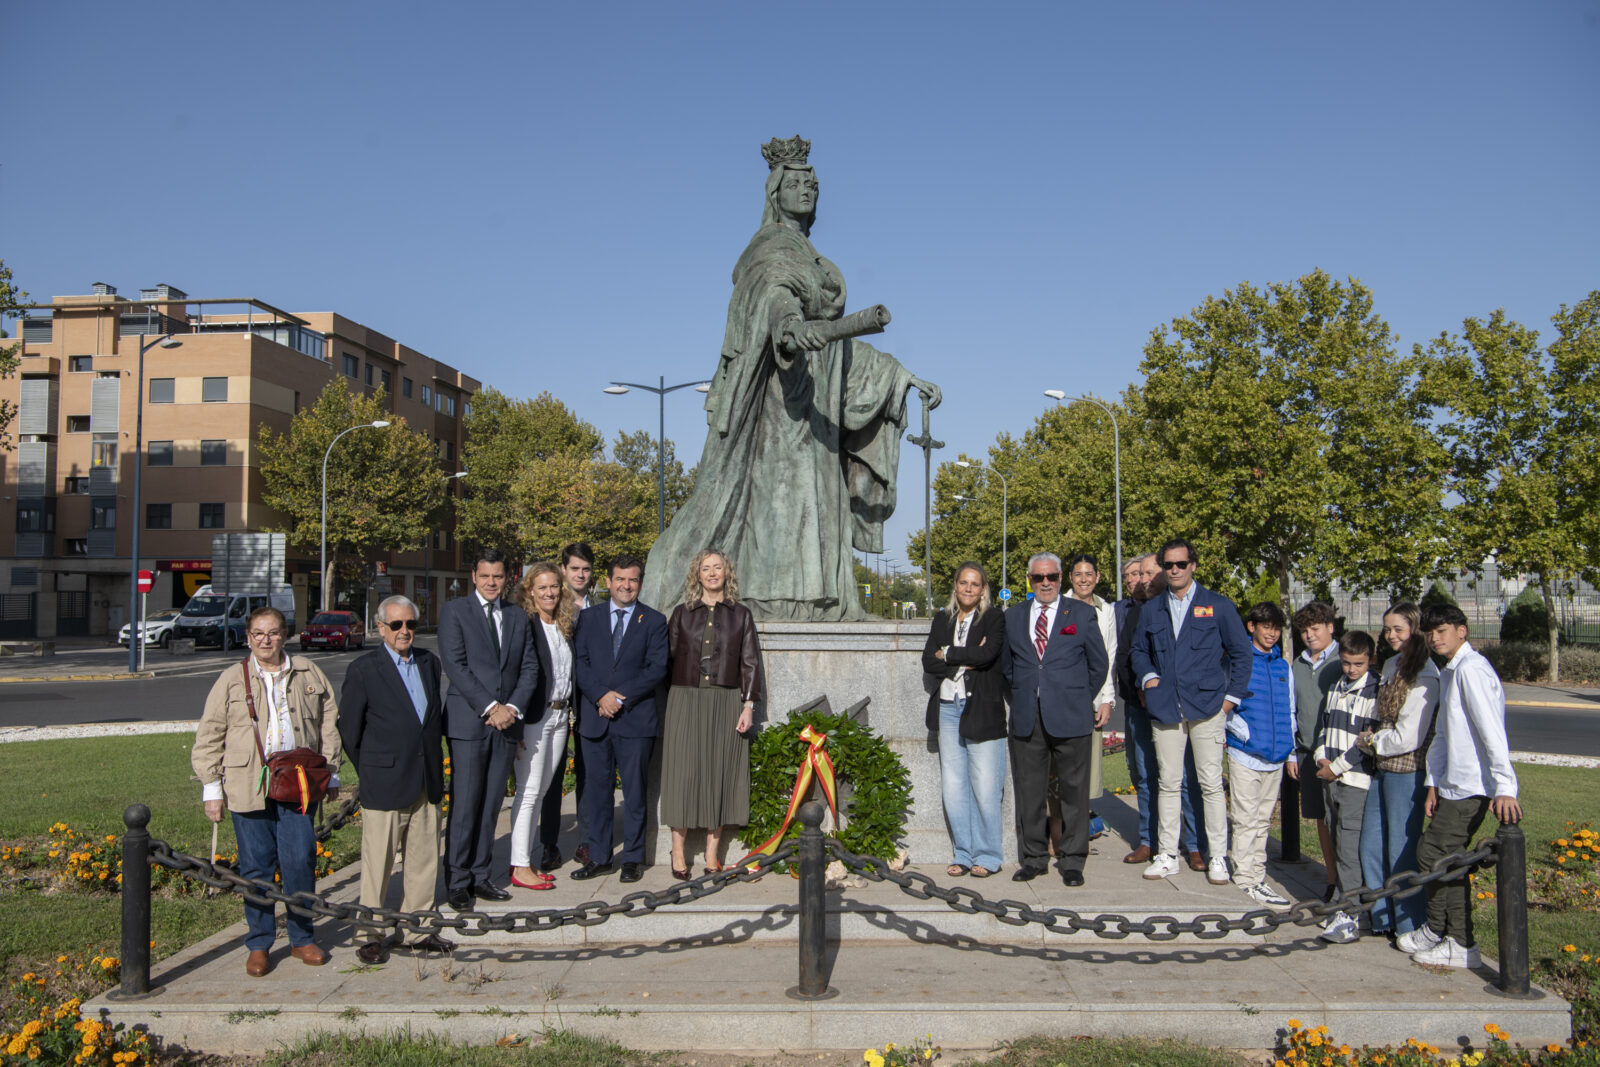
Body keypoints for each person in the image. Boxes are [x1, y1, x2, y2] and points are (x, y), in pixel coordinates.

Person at [641, 136, 941, 621]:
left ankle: (827, 600)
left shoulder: (812, 254)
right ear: (776, 189)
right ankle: (775, 600)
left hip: (817, 408)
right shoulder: (771, 249)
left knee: (820, 503)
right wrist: (788, 327)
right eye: (797, 182)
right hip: (780, 405)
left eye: (814, 184)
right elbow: (773, 296)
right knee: (782, 503)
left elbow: (837, 343)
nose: (808, 190)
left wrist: (898, 375)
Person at [191, 606, 341, 977]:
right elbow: (210, 734)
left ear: (284, 635)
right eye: (258, 634)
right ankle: (259, 944)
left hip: (298, 783)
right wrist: (212, 788)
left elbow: (328, 724)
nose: (265, 640)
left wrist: (331, 773)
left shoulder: (308, 672)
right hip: (247, 785)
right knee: (257, 866)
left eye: (272, 633)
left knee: (300, 859)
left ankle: (302, 938)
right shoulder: (231, 679)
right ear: (248, 637)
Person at [1401, 604, 1521, 969]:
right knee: (1435, 855)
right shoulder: (1452, 670)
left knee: (1438, 856)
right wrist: (1434, 783)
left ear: (1462, 631)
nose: (1435, 638)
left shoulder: (1471, 670)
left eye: (1443, 631)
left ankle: (1457, 940)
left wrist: (1504, 785)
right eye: (1430, 633)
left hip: (1472, 786)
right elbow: (1443, 735)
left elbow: (1491, 731)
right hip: (1453, 784)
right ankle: (1440, 931)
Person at [338, 595, 454, 964]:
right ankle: (370, 933)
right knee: (378, 865)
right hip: (384, 780)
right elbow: (350, 730)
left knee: (423, 861)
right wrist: (372, 769)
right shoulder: (364, 669)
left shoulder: (428, 663)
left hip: (426, 779)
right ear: (381, 628)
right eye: (397, 625)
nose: (405, 632)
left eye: (411, 625)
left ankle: (419, 930)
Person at [1130, 538, 1253, 885]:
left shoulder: (1218, 605)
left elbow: (1241, 655)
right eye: (1168, 565)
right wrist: (1149, 677)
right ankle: (1167, 854)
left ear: (1193, 566)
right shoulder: (1152, 609)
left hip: (1208, 707)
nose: (1174, 571)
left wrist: (1230, 700)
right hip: (1166, 706)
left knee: (1211, 784)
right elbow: (1139, 650)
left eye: (1180, 565)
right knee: (1168, 783)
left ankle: (1217, 857)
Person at [439, 547, 540, 911]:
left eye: (498, 576)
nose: (492, 582)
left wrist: (511, 708)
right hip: (470, 722)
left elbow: (530, 667)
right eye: (485, 576)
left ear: (507, 577)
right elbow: (456, 665)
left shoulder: (517, 615)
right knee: (466, 805)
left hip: (507, 724)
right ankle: (458, 879)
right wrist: (490, 707)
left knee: (491, 805)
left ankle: (481, 875)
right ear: (474, 577)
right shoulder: (455, 612)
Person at [1001, 552, 1109, 886]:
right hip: (1027, 719)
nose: (1045, 583)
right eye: (1038, 578)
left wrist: (1075, 697)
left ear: (1061, 578)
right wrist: (1025, 696)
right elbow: (1008, 667)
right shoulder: (1013, 616)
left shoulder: (1080, 613)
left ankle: (1073, 860)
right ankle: (1034, 857)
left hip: (1071, 717)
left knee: (1074, 794)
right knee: (1030, 792)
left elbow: (1099, 665)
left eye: (1051, 577)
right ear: (1029, 580)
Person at [661, 550, 762, 878]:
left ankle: (711, 855)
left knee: (718, 773)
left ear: (726, 573)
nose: (712, 573)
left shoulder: (741, 615)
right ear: (697, 575)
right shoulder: (682, 613)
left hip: (725, 702)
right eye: (706, 568)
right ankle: (677, 853)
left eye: (718, 567)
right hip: (685, 699)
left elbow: (750, 662)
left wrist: (748, 705)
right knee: (682, 774)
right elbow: (667, 659)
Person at [573, 554, 670, 883]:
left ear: (639, 583)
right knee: (597, 793)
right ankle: (599, 857)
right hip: (595, 719)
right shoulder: (588, 619)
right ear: (608, 581)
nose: (626, 585)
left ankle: (632, 858)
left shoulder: (654, 621)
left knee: (635, 793)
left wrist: (618, 697)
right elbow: (579, 663)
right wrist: (601, 696)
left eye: (632, 580)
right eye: (620, 579)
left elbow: (655, 669)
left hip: (635, 720)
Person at [1357, 601, 1441, 942]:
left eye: (1399, 629)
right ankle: (1382, 918)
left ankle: (1410, 924)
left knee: (1400, 850)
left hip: (1407, 769)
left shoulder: (1426, 674)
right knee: (1370, 846)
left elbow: (1410, 736)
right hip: (1381, 765)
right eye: (1387, 628)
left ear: (1415, 631)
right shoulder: (1391, 663)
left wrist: (1373, 741)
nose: (1391, 635)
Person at [922, 561, 1007, 878]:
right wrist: (966, 657)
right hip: (947, 707)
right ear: (955, 586)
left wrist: (951, 654)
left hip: (981, 709)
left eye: (975, 584)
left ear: (983, 589)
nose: (969, 589)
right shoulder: (942, 619)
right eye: (963, 583)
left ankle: (988, 855)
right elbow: (928, 661)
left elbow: (988, 655)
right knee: (953, 787)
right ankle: (963, 853)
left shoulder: (994, 618)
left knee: (985, 787)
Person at [506, 562, 577, 891]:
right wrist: (516, 725)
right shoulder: (525, 624)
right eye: (542, 587)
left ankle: (526, 860)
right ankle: (520, 865)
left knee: (542, 790)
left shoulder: (563, 624)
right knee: (529, 791)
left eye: (554, 587)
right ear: (529, 591)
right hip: (535, 718)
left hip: (561, 717)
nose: (549, 592)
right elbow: (516, 675)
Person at [1224, 602, 1296, 909]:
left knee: (1263, 820)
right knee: (1245, 819)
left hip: (1275, 757)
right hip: (1245, 755)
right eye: (1266, 626)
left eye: (1277, 628)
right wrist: (1241, 733)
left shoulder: (1282, 666)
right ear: (1252, 627)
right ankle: (1245, 879)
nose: (1272, 633)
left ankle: (1257, 875)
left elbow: (1290, 710)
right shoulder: (1238, 662)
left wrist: (1290, 752)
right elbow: (1225, 706)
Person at [1313, 630, 1381, 943]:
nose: (1351, 669)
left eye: (1358, 663)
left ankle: (1351, 913)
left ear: (1370, 660)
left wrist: (1338, 768)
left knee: (1349, 848)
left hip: (1354, 779)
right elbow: (1326, 727)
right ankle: (1342, 901)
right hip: (1330, 775)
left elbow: (1367, 741)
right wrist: (1321, 759)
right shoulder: (1336, 685)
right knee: (1337, 840)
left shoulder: (1374, 690)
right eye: (1346, 662)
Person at [538, 542, 596, 870]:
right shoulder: (548, 607)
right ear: (563, 570)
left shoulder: (598, 608)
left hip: (587, 706)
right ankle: (549, 844)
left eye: (586, 570)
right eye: (574, 569)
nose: (580, 575)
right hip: (554, 707)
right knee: (552, 776)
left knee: (588, 776)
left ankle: (586, 842)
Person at [1291, 601, 1343, 898]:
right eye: (1305, 631)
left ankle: (1350, 882)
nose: (1310, 636)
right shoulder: (1297, 664)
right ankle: (1332, 879)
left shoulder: (1342, 659)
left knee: (1342, 823)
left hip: (1338, 756)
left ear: (1330, 627)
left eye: (1316, 629)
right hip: (1307, 752)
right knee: (1321, 821)